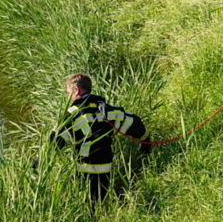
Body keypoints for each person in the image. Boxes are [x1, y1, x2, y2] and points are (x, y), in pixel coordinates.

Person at [51, 74, 150, 202]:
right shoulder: (107, 110)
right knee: (100, 199)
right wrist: (145, 142)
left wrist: (39, 160)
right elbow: (134, 123)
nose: (68, 97)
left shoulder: (72, 114)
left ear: (76, 90)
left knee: (83, 202)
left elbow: (55, 138)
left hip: (83, 168)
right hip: (105, 166)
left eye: (68, 92)